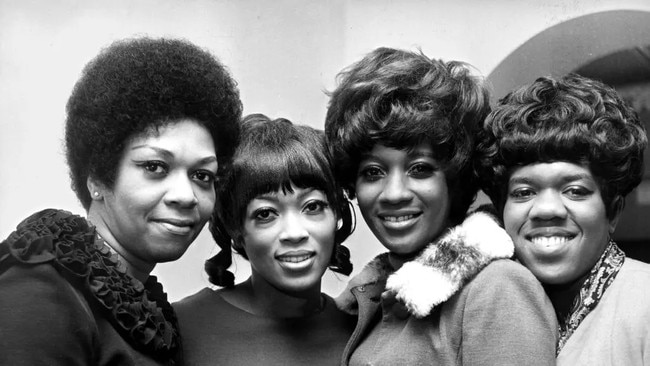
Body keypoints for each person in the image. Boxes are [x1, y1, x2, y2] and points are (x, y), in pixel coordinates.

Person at [0, 37, 242, 366]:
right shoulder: (40, 296)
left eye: (202, 175)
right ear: (98, 177)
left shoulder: (143, 306)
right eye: (155, 168)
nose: (186, 196)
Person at [324, 47, 558, 365]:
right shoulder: (366, 296)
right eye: (373, 172)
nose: (394, 193)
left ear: (454, 177)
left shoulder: (495, 289)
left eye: (420, 168)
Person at [476, 74, 650, 365]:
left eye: (575, 191)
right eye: (524, 192)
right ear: (501, 209)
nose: (547, 209)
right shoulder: (482, 308)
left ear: (614, 212)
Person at [174, 114, 357, 366]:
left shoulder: (361, 331)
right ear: (235, 227)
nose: (294, 233)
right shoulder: (183, 327)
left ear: (336, 213)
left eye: (312, 206)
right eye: (265, 214)